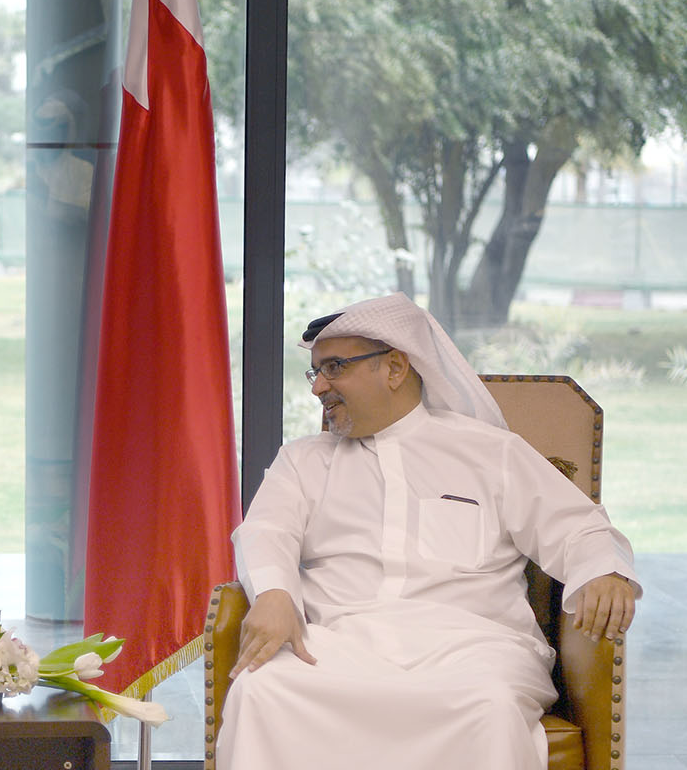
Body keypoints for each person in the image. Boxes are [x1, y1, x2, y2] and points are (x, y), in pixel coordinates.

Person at [217, 292, 639, 770]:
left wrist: (603, 572)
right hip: (338, 645)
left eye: (335, 368)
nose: (318, 388)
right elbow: (266, 529)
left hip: (473, 648)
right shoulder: (302, 461)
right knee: (261, 690)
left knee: (490, 706)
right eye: (316, 372)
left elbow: (577, 526)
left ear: (395, 367)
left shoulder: (491, 453)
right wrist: (274, 593)